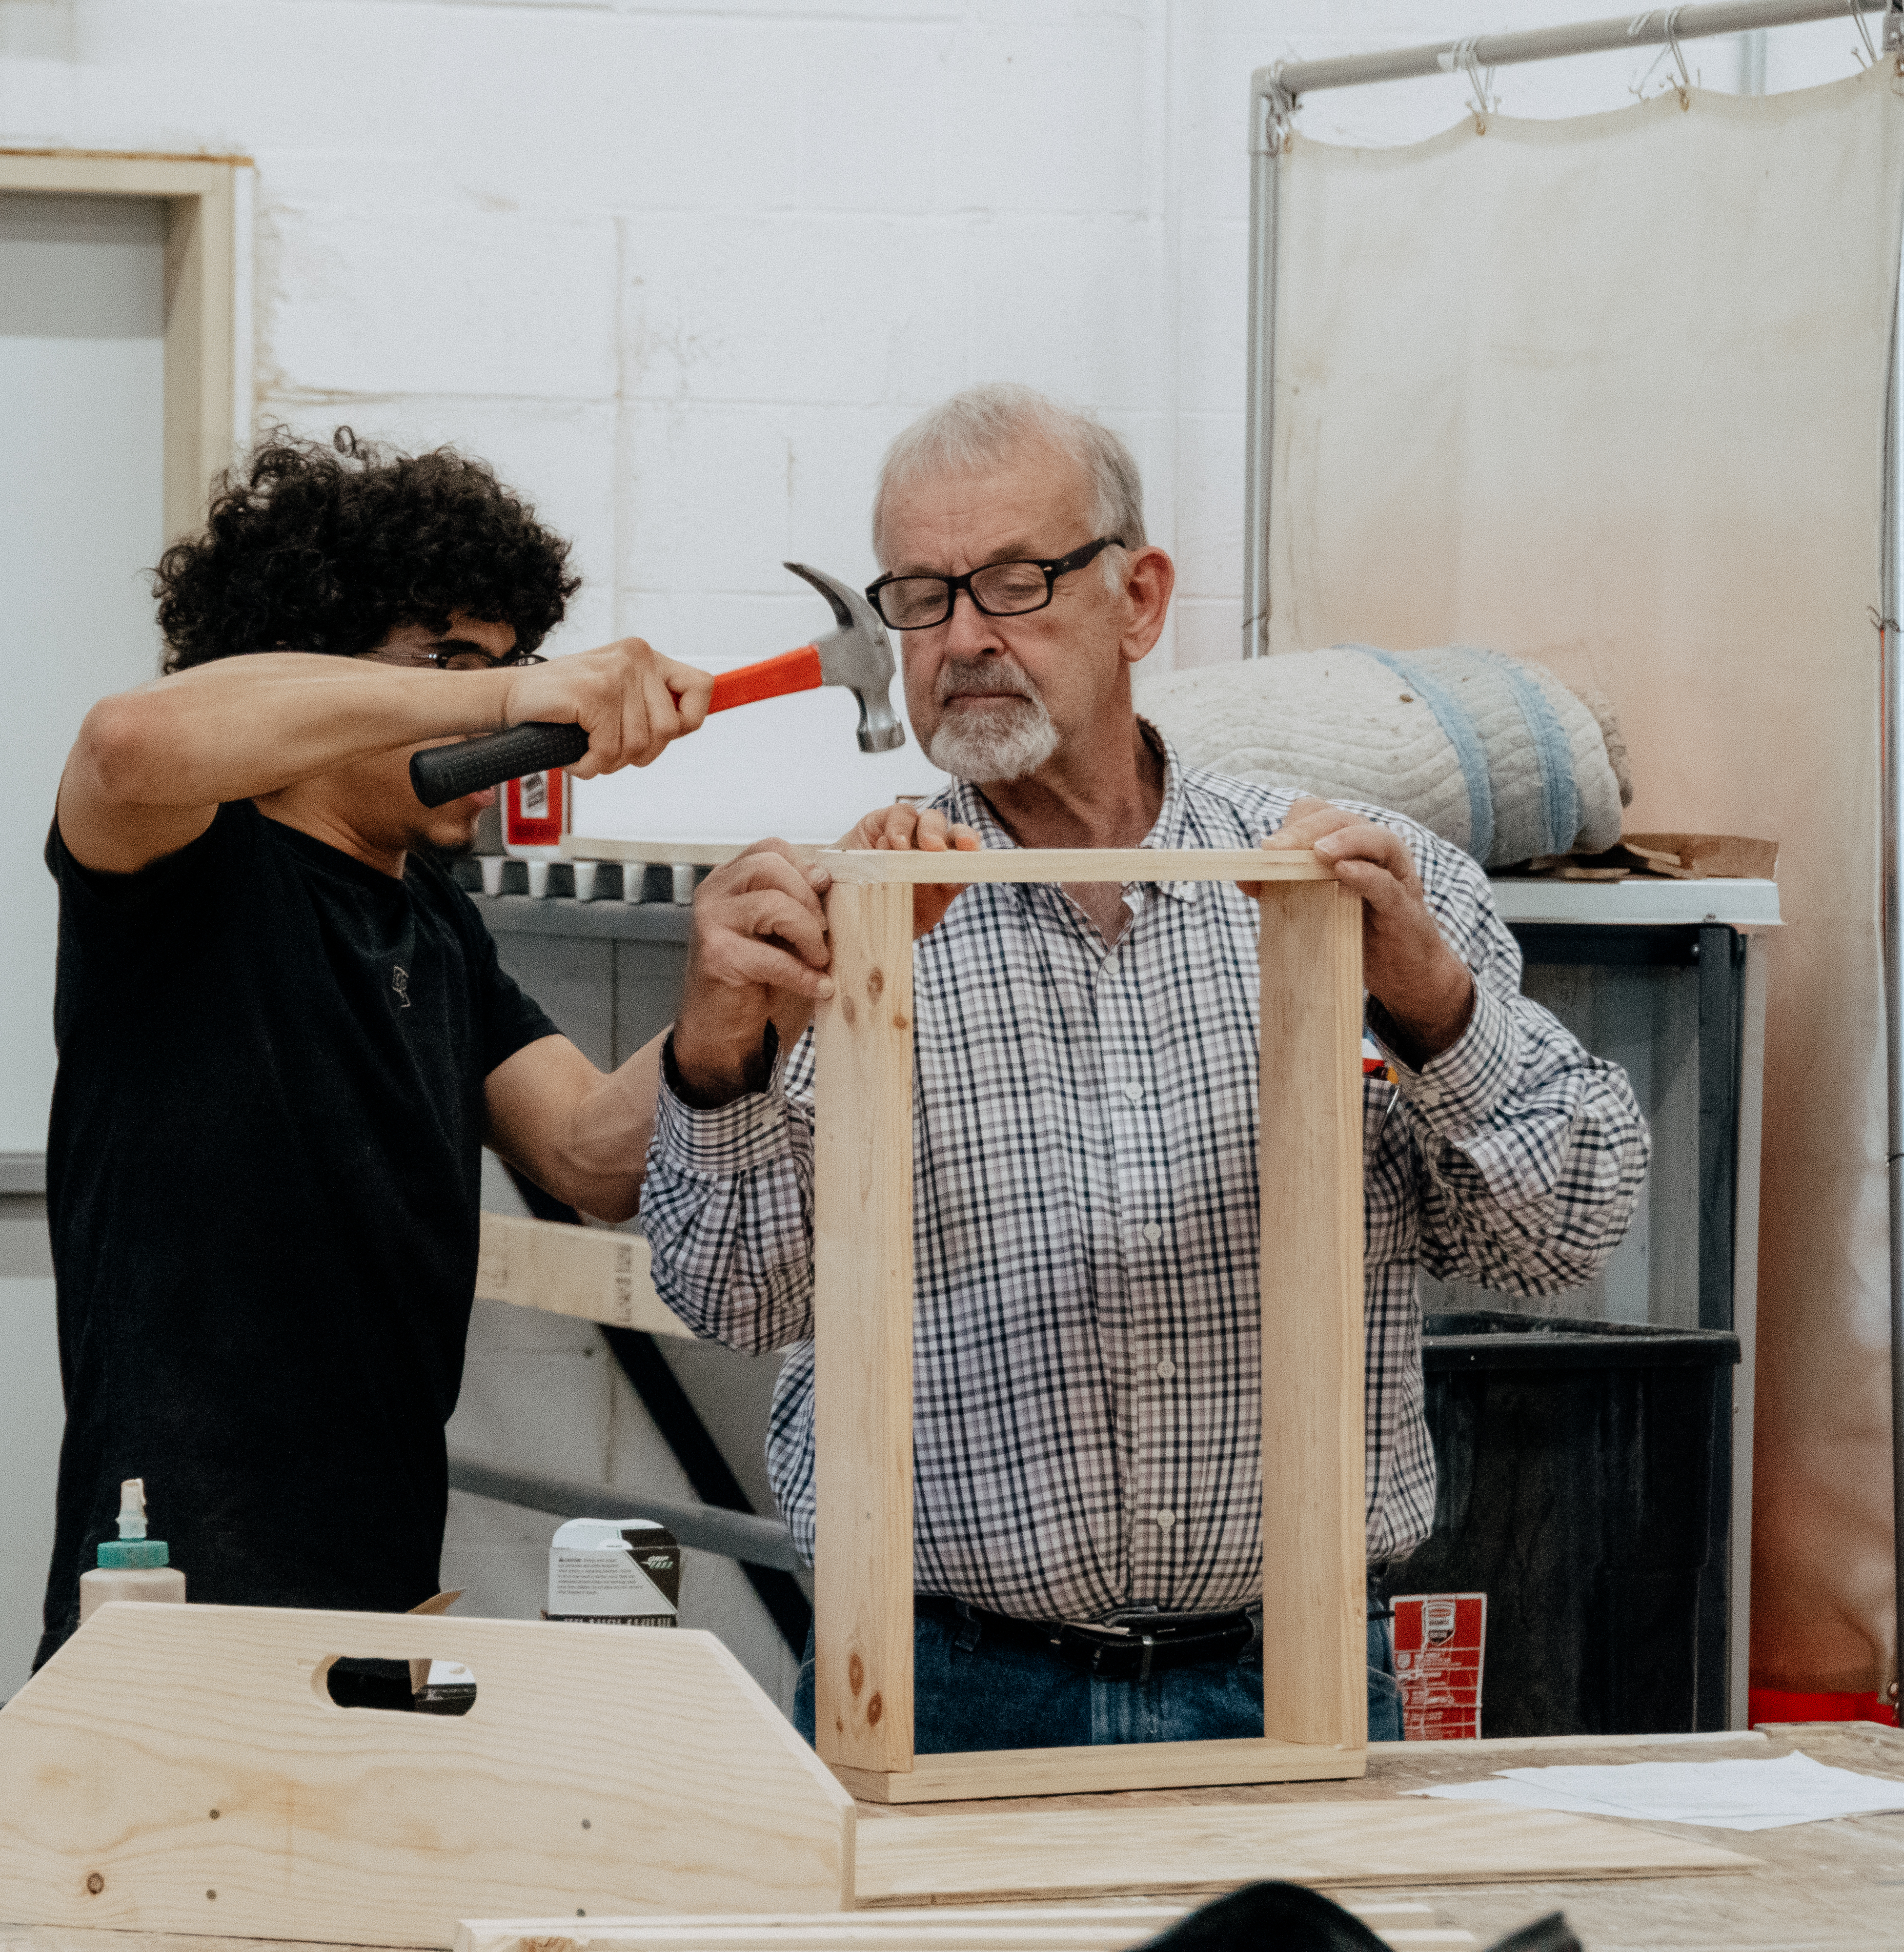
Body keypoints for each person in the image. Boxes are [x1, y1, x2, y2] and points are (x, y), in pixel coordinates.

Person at [639, 384, 1651, 1751]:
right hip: (939, 1687)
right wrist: (723, 1060)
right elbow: (734, 1301)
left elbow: (1568, 1234)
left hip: (1288, 1682)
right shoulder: (849, 917)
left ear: (1141, 598)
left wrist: (1431, 1006)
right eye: (922, 599)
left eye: (1013, 581)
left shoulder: (1339, 886)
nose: (963, 639)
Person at [37, 427, 710, 1667]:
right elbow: (127, 743)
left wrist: (729, 996)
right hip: (172, 1608)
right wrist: (506, 694)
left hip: (380, 1592)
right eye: (445, 660)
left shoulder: (436, 925)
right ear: (302, 669)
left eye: (510, 665)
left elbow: (590, 1154)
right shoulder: (189, 874)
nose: (510, 729)